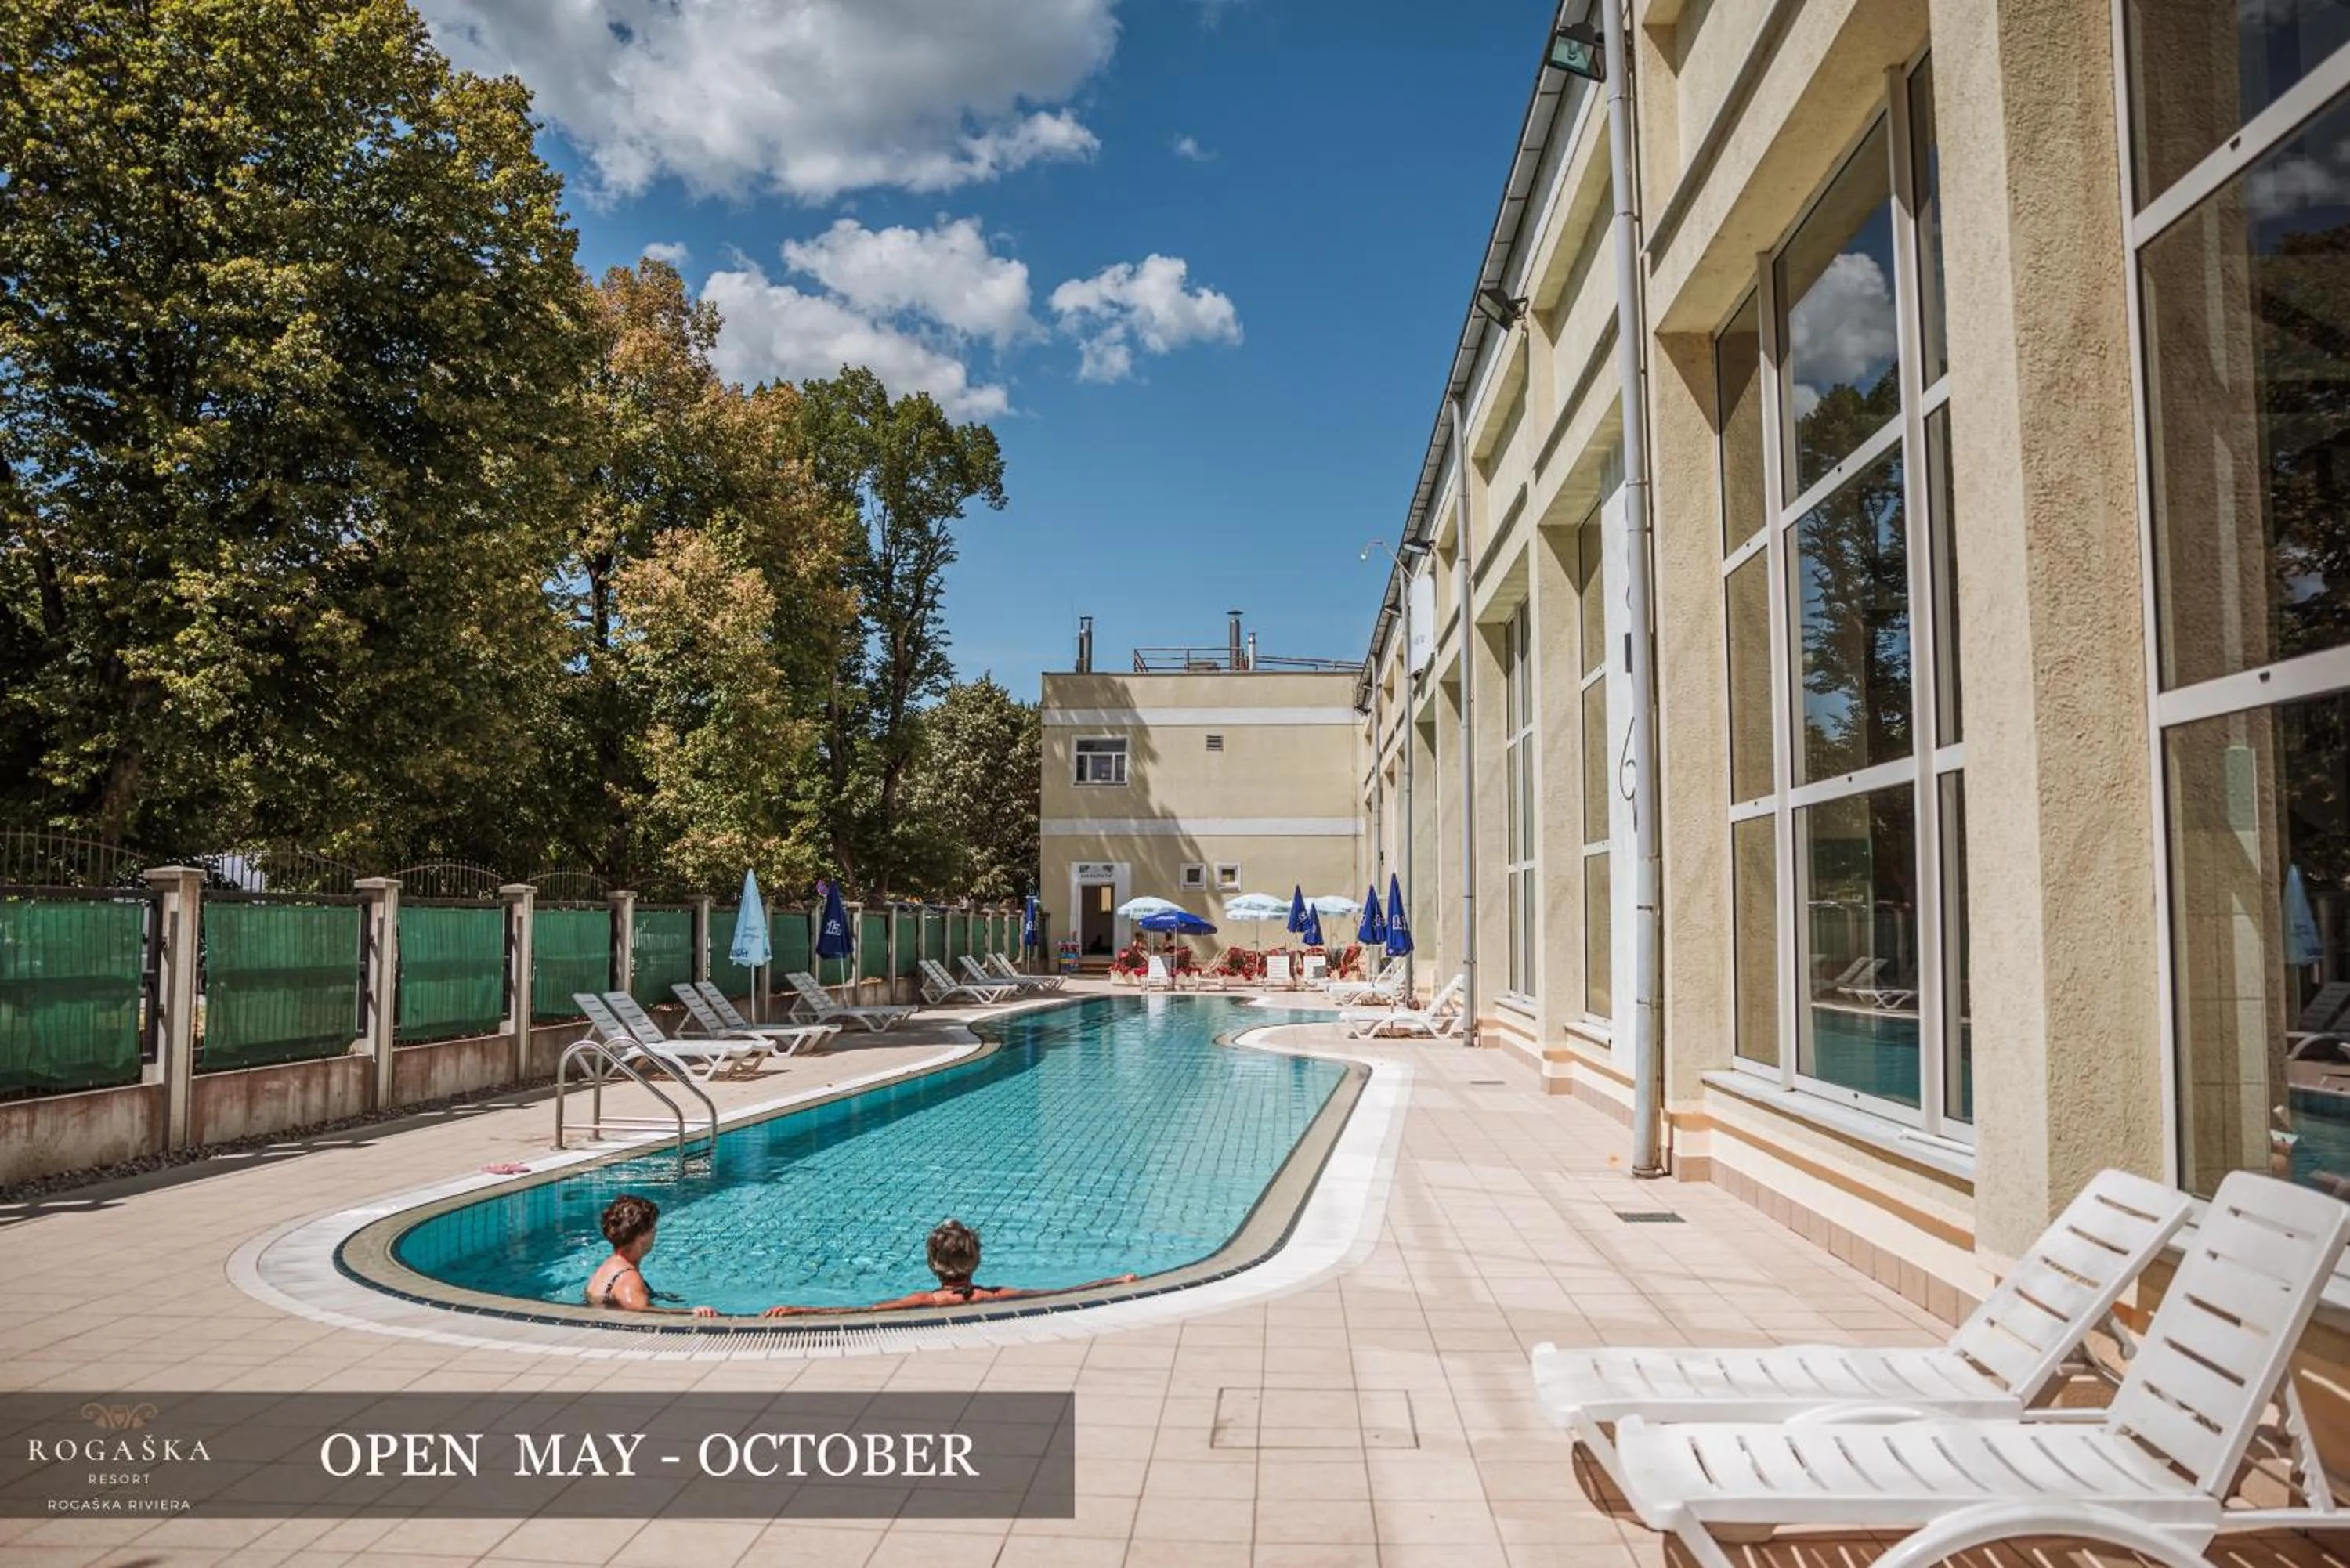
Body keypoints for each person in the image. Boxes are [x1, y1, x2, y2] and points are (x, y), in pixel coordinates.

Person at [763, 1219, 1136, 1317]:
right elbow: (1062, 1293)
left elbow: (863, 1312)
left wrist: (801, 1309)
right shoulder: (998, 1295)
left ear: (932, 1264)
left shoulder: (927, 1300)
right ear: (976, 1261)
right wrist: (1116, 1280)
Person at [585, 1194, 718, 1317]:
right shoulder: (629, 1278)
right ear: (641, 1235)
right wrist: (691, 1312)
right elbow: (642, 1312)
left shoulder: (610, 1264)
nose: (655, 1232)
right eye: (653, 1227)